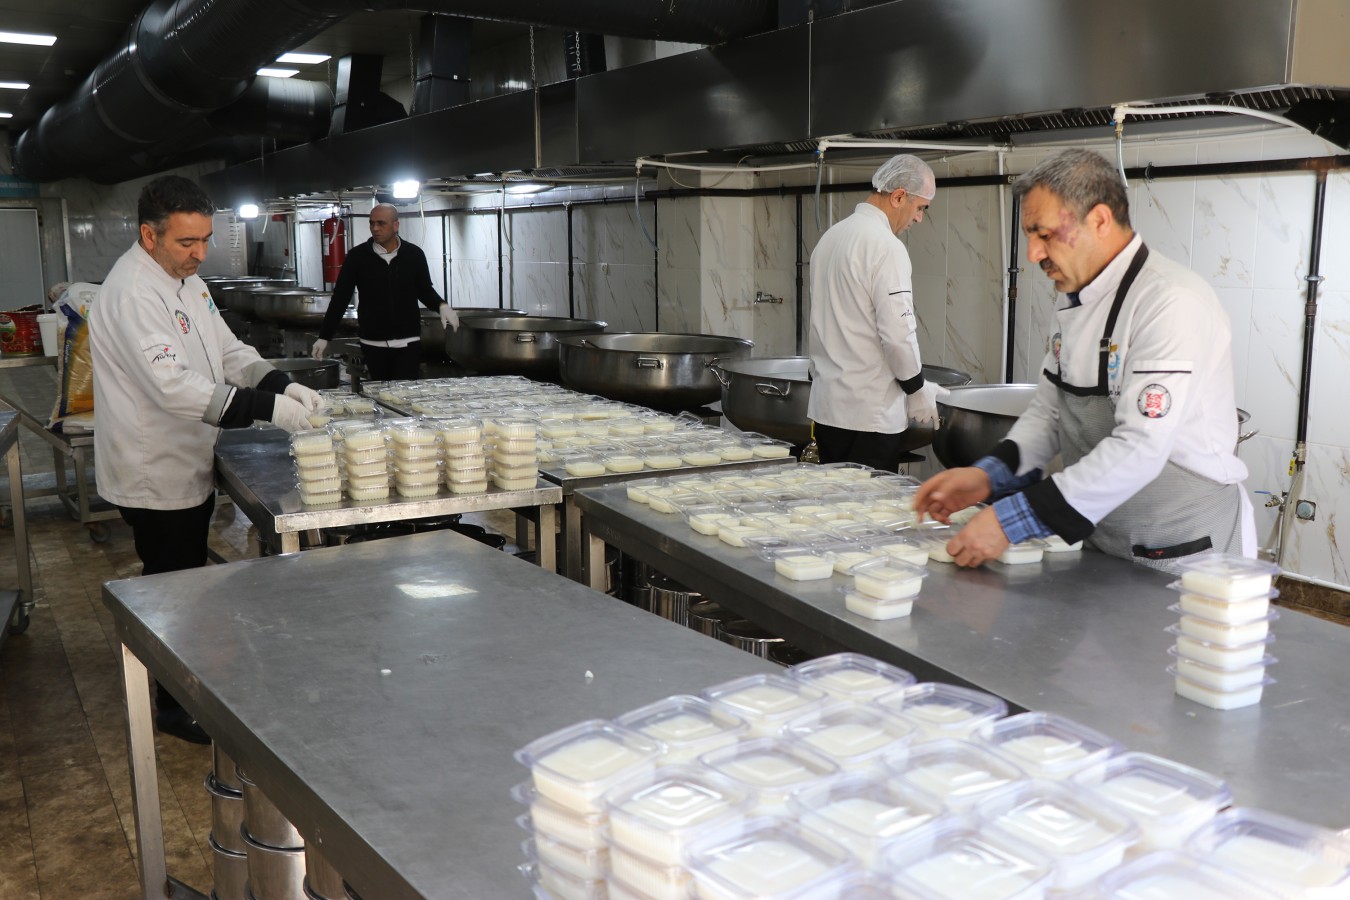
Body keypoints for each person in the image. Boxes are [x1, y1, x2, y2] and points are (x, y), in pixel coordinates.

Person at [913, 149, 1254, 571]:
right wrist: (989, 475)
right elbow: (1050, 412)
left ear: (1100, 220)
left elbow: (1141, 446)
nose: (1032, 254)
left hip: (1186, 548)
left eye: (1044, 234)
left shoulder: (1171, 302)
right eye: (1030, 236)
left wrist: (1012, 520)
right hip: (1107, 542)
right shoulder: (1075, 299)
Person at [90, 174, 322, 743]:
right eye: (186, 242)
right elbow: (173, 388)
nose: (199, 254)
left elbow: (227, 350)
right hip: (154, 466)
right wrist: (269, 409)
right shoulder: (133, 294)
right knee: (172, 588)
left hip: (187, 454)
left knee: (187, 581)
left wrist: (281, 383)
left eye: (205, 240)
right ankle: (173, 706)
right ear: (149, 235)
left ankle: (186, 684)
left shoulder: (186, 282)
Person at [807, 154, 942, 472]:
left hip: (827, 410)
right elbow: (898, 334)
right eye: (920, 208)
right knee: (869, 503)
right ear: (899, 197)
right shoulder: (886, 247)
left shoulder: (829, 239)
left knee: (830, 499)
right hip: (870, 417)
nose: (919, 219)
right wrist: (916, 388)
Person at [311, 203, 458, 381]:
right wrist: (325, 336)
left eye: (381, 223)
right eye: (372, 223)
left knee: (405, 391)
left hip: (408, 342)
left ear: (396, 225)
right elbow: (340, 298)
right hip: (373, 343)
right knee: (380, 392)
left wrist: (441, 305)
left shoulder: (414, 255)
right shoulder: (357, 257)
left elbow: (424, 289)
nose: (375, 228)